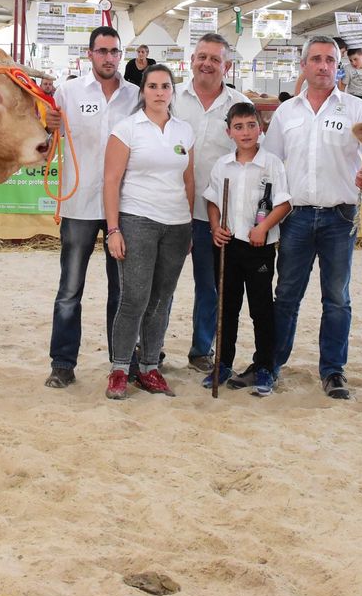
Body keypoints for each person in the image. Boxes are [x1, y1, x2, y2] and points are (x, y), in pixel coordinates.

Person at [263, 36, 362, 401]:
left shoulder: (357, 109)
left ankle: (333, 371)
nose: (323, 66)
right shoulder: (287, 113)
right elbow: (268, 164)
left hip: (340, 217)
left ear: (338, 65)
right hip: (296, 217)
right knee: (286, 295)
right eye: (315, 59)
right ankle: (272, 364)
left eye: (330, 60)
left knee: (336, 298)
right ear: (303, 66)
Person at [45, 26, 140, 389]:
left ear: (121, 55)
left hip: (125, 206)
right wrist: (48, 123)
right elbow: (46, 133)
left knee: (124, 290)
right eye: (102, 51)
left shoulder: (135, 96)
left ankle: (123, 362)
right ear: (89, 55)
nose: (108, 58)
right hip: (79, 203)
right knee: (70, 289)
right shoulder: (68, 92)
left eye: (115, 51)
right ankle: (63, 363)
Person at [104, 63, 194, 400]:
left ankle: (150, 367)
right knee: (134, 298)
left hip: (176, 225)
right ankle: (119, 369)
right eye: (153, 86)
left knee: (160, 300)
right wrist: (113, 229)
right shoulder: (127, 129)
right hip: (137, 220)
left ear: (173, 91)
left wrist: (189, 228)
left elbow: (189, 180)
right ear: (143, 91)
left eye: (165, 86)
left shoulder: (184, 131)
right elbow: (111, 181)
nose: (159, 92)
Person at [172, 33, 249, 372]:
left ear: (227, 66)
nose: (207, 63)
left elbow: (247, 156)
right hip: (168, 209)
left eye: (215, 59)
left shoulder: (238, 105)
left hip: (213, 215)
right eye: (201, 56)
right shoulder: (169, 96)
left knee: (210, 287)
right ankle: (149, 350)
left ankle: (201, 350)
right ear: (191, 60)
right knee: (160, 284)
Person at [205, 103, 291, 397]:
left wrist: (264, 227)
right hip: (228, 247)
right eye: (238, 127)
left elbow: (284, 203)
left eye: (251, 125)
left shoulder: (272, 164)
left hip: (259, 247)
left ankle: (264, 366)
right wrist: (215, 226)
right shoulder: (222, 165)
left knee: (261, 309)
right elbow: (213, 200)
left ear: (260, 127)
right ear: (229, 132)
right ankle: (223, 363)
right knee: (227, 308)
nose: (246, 132)